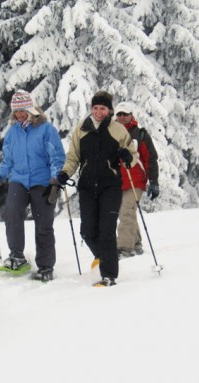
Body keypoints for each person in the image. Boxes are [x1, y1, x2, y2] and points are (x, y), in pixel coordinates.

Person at [0, 89, 65, 282]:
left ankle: (45, 266)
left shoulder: (46, 130)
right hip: (18, 180)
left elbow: (57, 158)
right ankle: (17, 256)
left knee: (43, 224)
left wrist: (54, 182)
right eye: (16, 112)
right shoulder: (13, 133)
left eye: (22, 110)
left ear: (31, 109)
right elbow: (8, 161)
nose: (19, 115)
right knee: (11, 213)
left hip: (42, 181)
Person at [57, 91, 138, 287]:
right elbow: (73, 157)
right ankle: (105, 256)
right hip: (87, 187)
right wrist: (65, 173)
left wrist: (127, 156)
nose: (98, 112)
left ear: (109, 109)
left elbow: (133, 156)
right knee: (87, 231)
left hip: (110, 186)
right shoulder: (81, 129)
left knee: (106, 230)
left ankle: (109, 275)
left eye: (102, 108)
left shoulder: (118, 129)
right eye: (95, 108)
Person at [114, 102, 159, 257]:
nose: (121, 117)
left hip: (135, 180)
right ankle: (136, 243)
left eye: (124, 114)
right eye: (119, 114)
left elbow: (151, 158)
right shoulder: (111, 133)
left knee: (125, 212)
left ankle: (124, 248)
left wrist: (154, 181)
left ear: (131, 115)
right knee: (129, 212)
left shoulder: (140, 134)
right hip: (117, 181)